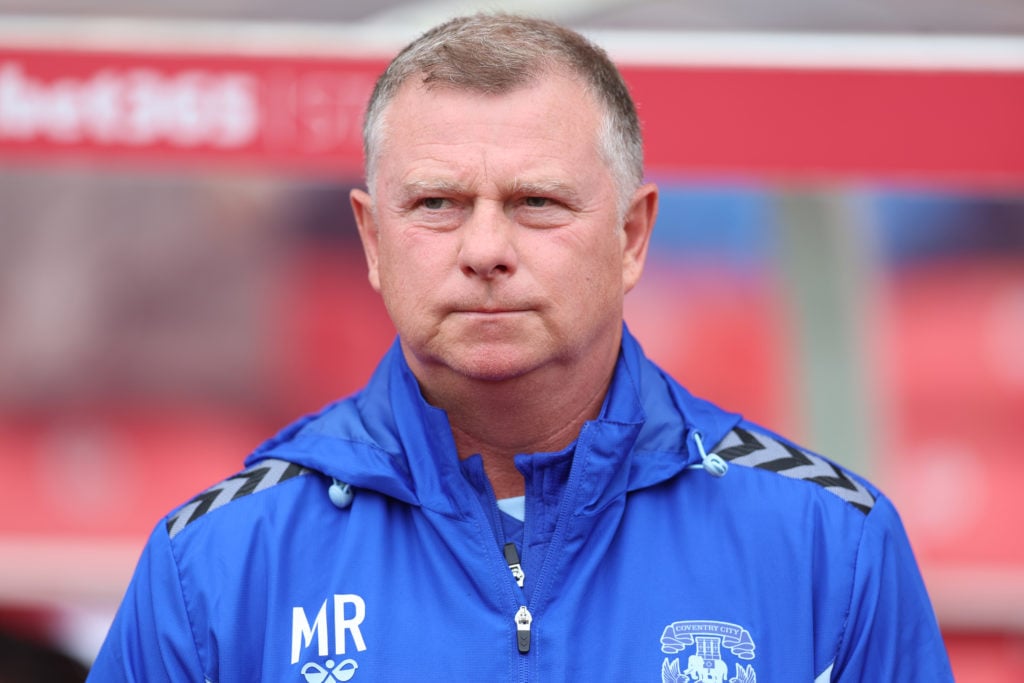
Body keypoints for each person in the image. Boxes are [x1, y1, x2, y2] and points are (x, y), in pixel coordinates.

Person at [88, 13, 953, 681]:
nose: (485, 248)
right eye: (437, 204)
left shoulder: (828, 542)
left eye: (537, 201)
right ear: (372, 240)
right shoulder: (218, 560)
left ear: (632, 235)